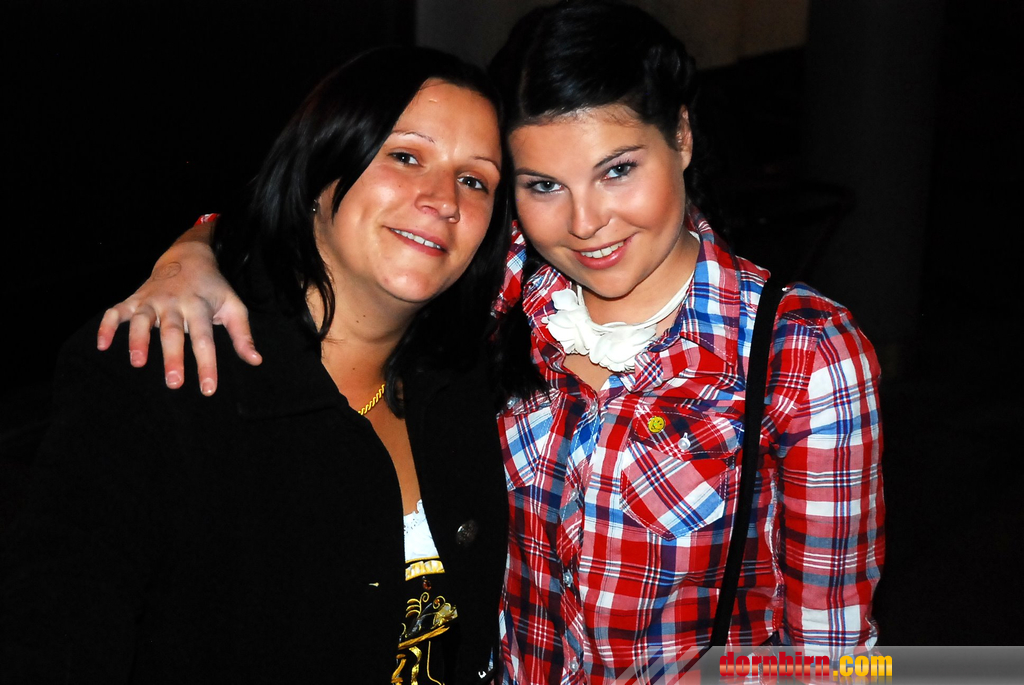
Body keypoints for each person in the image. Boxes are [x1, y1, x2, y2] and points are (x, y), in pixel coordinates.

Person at [89, 1, 885, 682]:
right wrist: (197, 248)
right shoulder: (508, 284)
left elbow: (834, 652)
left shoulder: (803, 355)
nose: (585, 223)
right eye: (542, 185)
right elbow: (345, 227)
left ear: (679, 135)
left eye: (616, 170)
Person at [0, 47, 511, 684]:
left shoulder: (476, 374)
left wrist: (198, 239)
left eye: (475, 180)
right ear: (322, 168)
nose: (443, 200)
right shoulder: (162, 372)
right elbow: (53, 636)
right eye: (406, 156)